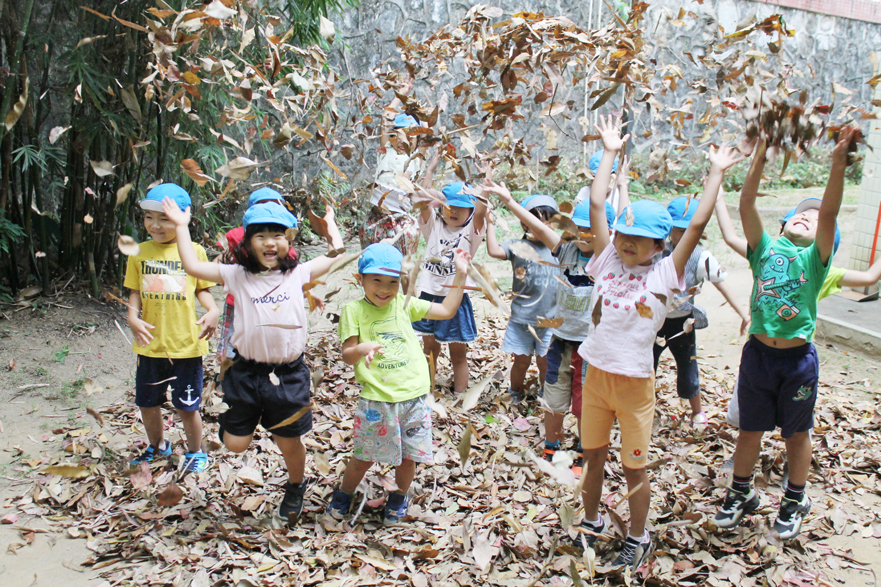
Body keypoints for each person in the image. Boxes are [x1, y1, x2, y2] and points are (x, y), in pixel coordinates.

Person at [573, 115, 743, 568]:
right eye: (624, 234)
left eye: (640, 239)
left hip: (634, 387)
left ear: (659, 245)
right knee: (592, 457)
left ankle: (638, 535)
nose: (627, 243)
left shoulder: (667, 274)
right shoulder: (607, 260)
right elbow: (596, 204)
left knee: (633, 467)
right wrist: (609, 152)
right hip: (596, 379)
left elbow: (698, 224)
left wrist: (716, 173)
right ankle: (590, 522)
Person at [161, 197, 344, 522]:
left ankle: (296, 484)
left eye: (277, 234)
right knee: (234, 444)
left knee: (288, 440)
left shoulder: (299, 273)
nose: (269, 241)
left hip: (287, 375)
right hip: (246, 373)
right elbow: (192, 266)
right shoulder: (237, 275)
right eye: (260, 235)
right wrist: (181, 226)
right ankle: (240, 420)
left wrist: (331, 228)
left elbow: (336, 255)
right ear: (247, 243)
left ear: (289, 241)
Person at [713, 129, 857, 540]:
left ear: (824, 238)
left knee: (796, 434)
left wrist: (836, 165)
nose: (807, 216)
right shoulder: (764, 248)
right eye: (800, 212)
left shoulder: (816, 261)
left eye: (812, 219)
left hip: (796, 363)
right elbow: (746, 203)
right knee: (749, 431)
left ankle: (794, 498)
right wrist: (760, 154)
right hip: (757, 356)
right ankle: (741, 493)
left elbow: (829, 212)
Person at [328, 243, 472, 524]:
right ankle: (344, 494)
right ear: (361, 280)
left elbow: (446, 310)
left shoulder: (404, 304)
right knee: (364, 457)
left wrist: (461, 275)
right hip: (377, 399)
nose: (384, 289)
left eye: (392, 282)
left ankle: (398, 498)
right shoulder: (353, 311)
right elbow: (347, 355)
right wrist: (362, 348)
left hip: (414, 397)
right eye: (376, 281)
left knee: (408, 457)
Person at [714, 188, 878, 427]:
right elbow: (730, 237)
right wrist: (718, 197)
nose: (803, 222)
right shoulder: (766, 254)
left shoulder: (823, 270)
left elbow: (869, 277)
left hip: (794, 353)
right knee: (748, 417)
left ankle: (798, 453)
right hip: (760, 350)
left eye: (815, 223)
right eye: (792, 222)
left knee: (799, 425)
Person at [483, 182, 616, 476]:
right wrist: (509, 201)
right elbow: (539, 228)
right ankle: (551, 446)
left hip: (589, 347)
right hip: (560, 341)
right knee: (553, 400)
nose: (584, 235)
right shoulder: (566, 252)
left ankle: (583, 449)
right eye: (578, 228)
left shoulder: (607, 261)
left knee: (584, 405)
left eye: (591, 229)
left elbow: (597, 214)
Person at [125, 183, 219, 473]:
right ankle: (157, 445)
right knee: (147, 402)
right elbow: (134, 292)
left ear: (182, 218)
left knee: (187, 405)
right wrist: (132, 317)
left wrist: (213, 310)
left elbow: (201, 288)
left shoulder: (194, 251)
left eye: (164, 218)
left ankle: (195, 452)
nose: (155, 225)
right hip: (151, 344)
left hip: (186, 345)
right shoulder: (139, 252)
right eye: (149, 217)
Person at [652, 195, 750, 425]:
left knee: (688, 365)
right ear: (669, 228)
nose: (684, 236)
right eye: (679, 230)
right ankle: (640, 405)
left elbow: (722, 284)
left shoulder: (701, 256)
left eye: (690, 230)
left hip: (683, 323)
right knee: (647, 366)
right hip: (654, 322)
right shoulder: (657, 249)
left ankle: (697, 411)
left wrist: (743, 313)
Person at [485, 194, 560, 403]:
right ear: (522, 222)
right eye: (531, 221)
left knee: (545, 362)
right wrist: (489, 224)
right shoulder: (517, 245)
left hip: (550, 320)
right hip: (522, 320)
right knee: (521, 362)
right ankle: (515, 393)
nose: (537, 226)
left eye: (544, 221)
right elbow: (493, 250)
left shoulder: (560, 248)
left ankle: (546, 396)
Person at [412, 182, 487, 393]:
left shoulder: (472, 232)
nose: (453, 211)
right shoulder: (433, 225)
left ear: (471, 211)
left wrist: (485, 185)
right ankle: (426, 390)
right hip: (428, 296)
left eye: (461, 207)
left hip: (455, 299)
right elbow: (422, 200)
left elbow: (481, 212)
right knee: (430, 350)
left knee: (458, 353)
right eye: (448, 206)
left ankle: (459, 395)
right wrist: (430, 173)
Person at [216, 187, 298, 362]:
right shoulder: (241, 235)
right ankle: (228, 372)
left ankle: (227, 370)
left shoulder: (239, 234)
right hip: (247, 299)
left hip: (260, 298)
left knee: (241, 335)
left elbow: (220, 255)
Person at [359, 77, 439, 256]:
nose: (402, 140)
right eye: (398, 135)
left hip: (401, 219)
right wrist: (401, 95)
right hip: (376, 216)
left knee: (403, 264)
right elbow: (386, 118)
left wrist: (423, 115)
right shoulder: (386, 150)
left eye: (409, 136)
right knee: (373, 258)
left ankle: (407, 283)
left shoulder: (416, 157)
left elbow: (426, 135)